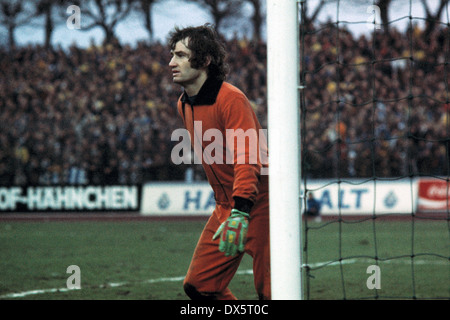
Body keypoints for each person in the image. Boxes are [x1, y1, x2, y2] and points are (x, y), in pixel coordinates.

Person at [168, 24, 270, 300]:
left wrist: (241, 209)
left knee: (273, 292)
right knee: (199, 287)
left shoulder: (232, 99)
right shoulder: (183, 104)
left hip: (261, 203)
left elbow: (247, 157)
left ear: (204, 61)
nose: (171, 62)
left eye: (180, 55)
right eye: (172, 55)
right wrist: (232, 208)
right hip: (226, 205)